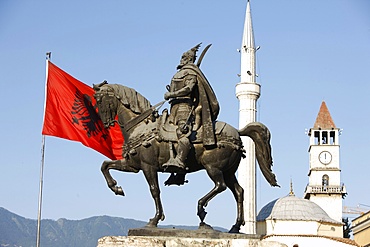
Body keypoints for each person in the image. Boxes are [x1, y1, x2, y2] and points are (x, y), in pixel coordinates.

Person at [163, 43, 219, 171]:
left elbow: (189, 88)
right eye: (182, 57)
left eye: (184, 57)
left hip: (184, 108)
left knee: (183, 133)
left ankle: (180, 161)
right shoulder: (180, 73)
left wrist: (172, 94)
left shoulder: (190, 73)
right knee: (166, 135)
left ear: (189, 59)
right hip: (173, 108)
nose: (181, 59)